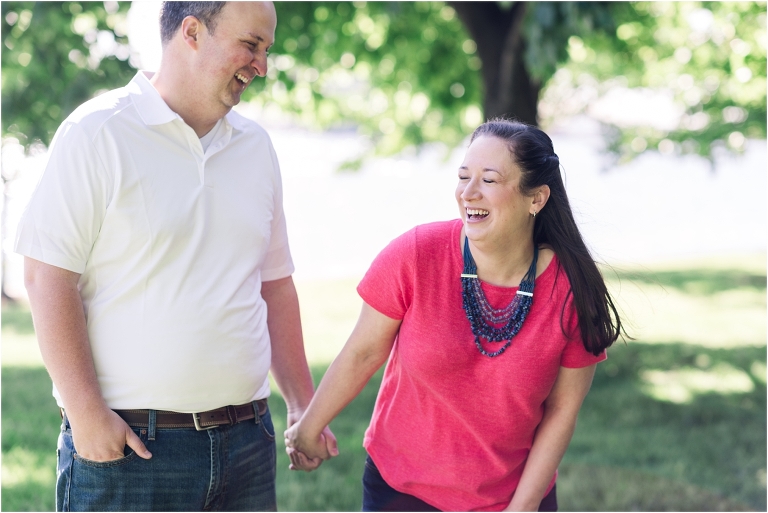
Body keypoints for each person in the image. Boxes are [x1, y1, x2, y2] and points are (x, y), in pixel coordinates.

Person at [15, 2, 335, 511]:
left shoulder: (256, 147)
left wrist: (301, 404)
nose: (262, 66)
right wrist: (87, 416)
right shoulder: (97, 132)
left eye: (266, 50)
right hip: (132, 451)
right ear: (192, 31)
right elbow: (46, 276)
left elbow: (273, 284)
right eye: (250, 45)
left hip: (247, 444)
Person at [284, 119, 624, 511]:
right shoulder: (416, 254)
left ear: (536, 198)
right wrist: (307, 428)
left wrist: (522, 507)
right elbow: (363, 352)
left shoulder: (573, 289)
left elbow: (562, 409)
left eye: (489, 180)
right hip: (401, 491)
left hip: (513, 497)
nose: (468, 192)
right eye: (463, 177)